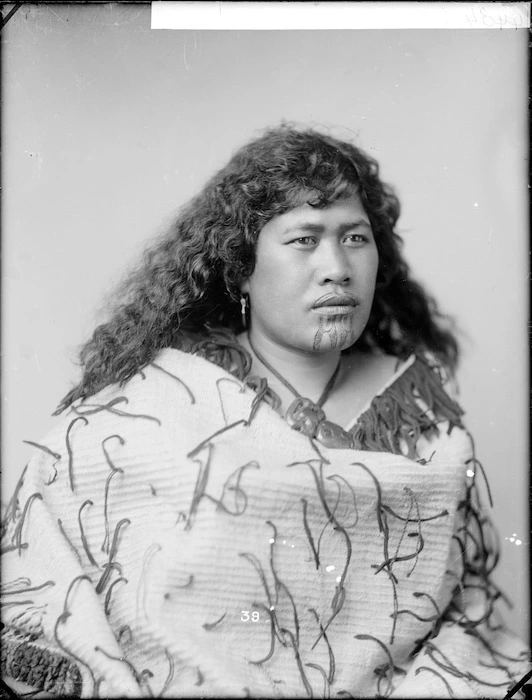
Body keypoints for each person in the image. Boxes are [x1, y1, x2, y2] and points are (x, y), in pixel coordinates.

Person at [1, 125, 529, 698]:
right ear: (242, 268)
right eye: (304, 239)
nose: (337, 267)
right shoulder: (155, 406)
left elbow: (463, 616)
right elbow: (45, 555)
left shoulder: (427, 422)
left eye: (355, 238)